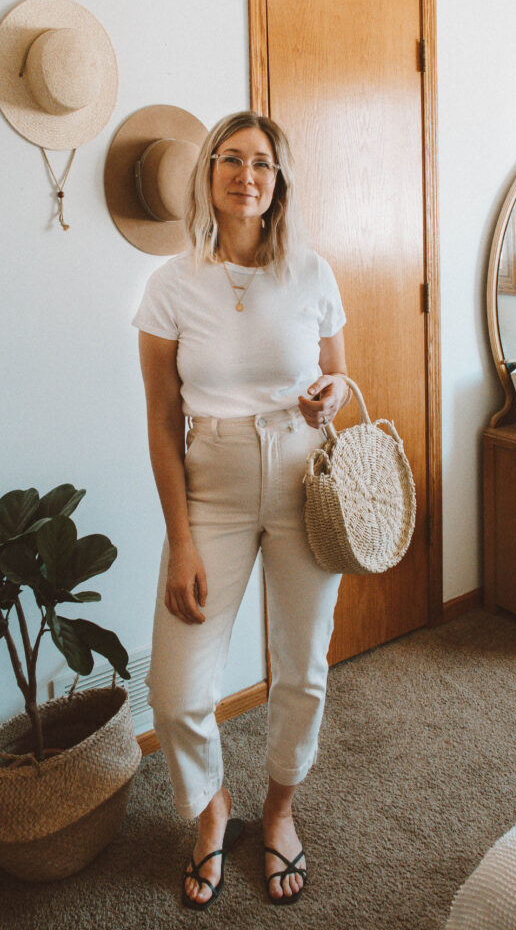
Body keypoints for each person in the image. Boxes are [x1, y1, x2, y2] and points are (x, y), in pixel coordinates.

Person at [133, 111, 350, 909]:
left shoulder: (311, 273)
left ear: (278, 180)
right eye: (230, 159)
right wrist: (179, 538)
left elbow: (337, 377)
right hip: (211, 483)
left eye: (261, 162)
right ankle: (212, 811)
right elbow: (161, 418)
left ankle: (281, 813)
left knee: (304, 668)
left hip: (301, 477)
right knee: (177, 689)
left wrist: (331, 394)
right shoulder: (169, 286)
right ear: (210, 175)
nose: (245, 174)